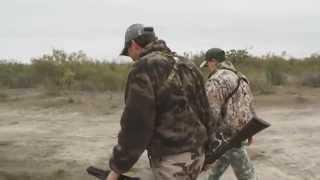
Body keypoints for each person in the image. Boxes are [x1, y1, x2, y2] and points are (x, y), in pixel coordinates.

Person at [106, 24, 215, 180]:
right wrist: (209, 150)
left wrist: (117, 168)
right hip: (197, 155)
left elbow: (137, 125)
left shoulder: (144, 68)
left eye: (128, 53)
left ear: (134, 45)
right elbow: (206, 111)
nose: (131, 58)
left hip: (172, 161)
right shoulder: (188, 64)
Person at [199, 48, 257, 180]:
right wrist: (250, 129)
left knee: (247, 175)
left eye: (207, 64)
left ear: (213, 61)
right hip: (241, 131)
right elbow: (248, 104)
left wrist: (205, 139)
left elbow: (210, 113)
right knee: (217, 168)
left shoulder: (216, 80)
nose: (208, 67)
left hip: (227, 136)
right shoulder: (240, 76)